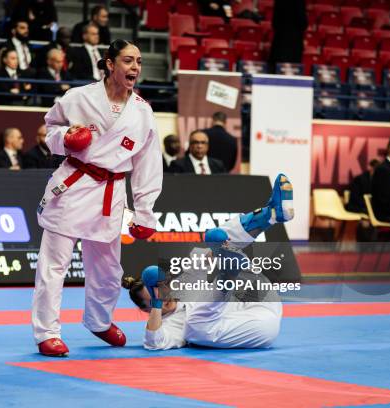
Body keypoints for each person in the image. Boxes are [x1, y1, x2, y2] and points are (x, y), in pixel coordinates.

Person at [32, 39, 162, 357]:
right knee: (54, 266)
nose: (135, 68)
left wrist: (145, 213)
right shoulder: (79, 97)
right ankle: (47, 332)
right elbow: (48, 129)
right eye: (128, 60)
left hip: (111, 193)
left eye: (139, 62)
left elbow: (148, 166)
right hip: (73, 185)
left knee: (108, 270)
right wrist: (65, 138)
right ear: (109, 63)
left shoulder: (143, 112)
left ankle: (99, 320)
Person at [123, 174, 294, 350]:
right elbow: (153, 343)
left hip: (259, 297)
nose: (163, 296)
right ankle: (227, 271)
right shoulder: (167, 325)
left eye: (161, 288)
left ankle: (272, 214)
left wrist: (216, 253)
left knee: (208, 249)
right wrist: (157, 305)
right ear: (147, 309)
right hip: (257, 328)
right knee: (194, 326)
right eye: (154, 297)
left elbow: (203, 259)